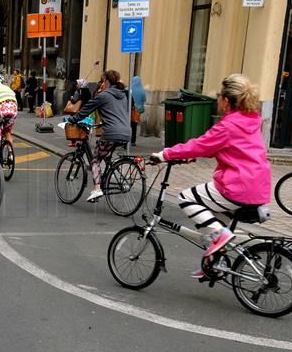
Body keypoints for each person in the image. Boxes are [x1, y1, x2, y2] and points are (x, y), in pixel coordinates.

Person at [152, 74, 271, 276]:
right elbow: (221, 147)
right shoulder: (250, 122)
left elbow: (200, 144)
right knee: (215, 216)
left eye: (218, 96)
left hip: (237, 186)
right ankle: (217, 263)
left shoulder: (228, 125)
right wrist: (196, 154)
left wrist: (165, 154)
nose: (217, 100)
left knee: (186, 197)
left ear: (225, 101)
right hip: (258, 188)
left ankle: (219, 235)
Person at [65, 70, 131, 202]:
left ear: (106, 81)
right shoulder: (123, 95)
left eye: (102, 81)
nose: (101, 83)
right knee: (105, 155)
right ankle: (107, 178)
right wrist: (102, 123)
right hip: (127, 132)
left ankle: (97, 189)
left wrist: (72, 120)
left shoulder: (103, 95)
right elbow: (116, 113)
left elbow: (85, 110)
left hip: (112, 132)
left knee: (95, 160)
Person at [0, 72, 18, 144]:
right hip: (13, 109)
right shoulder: (8, 88)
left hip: (1, 109)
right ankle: (10, 152)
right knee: (7, 132)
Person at [130, 75, 146, 147]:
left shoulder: (129, 89)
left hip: (129, 110)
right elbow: (144, 100)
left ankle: (126, 140)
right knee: (134, 126)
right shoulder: (142, 90)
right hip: (137, 111)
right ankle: (133, 141)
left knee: (127, 125)